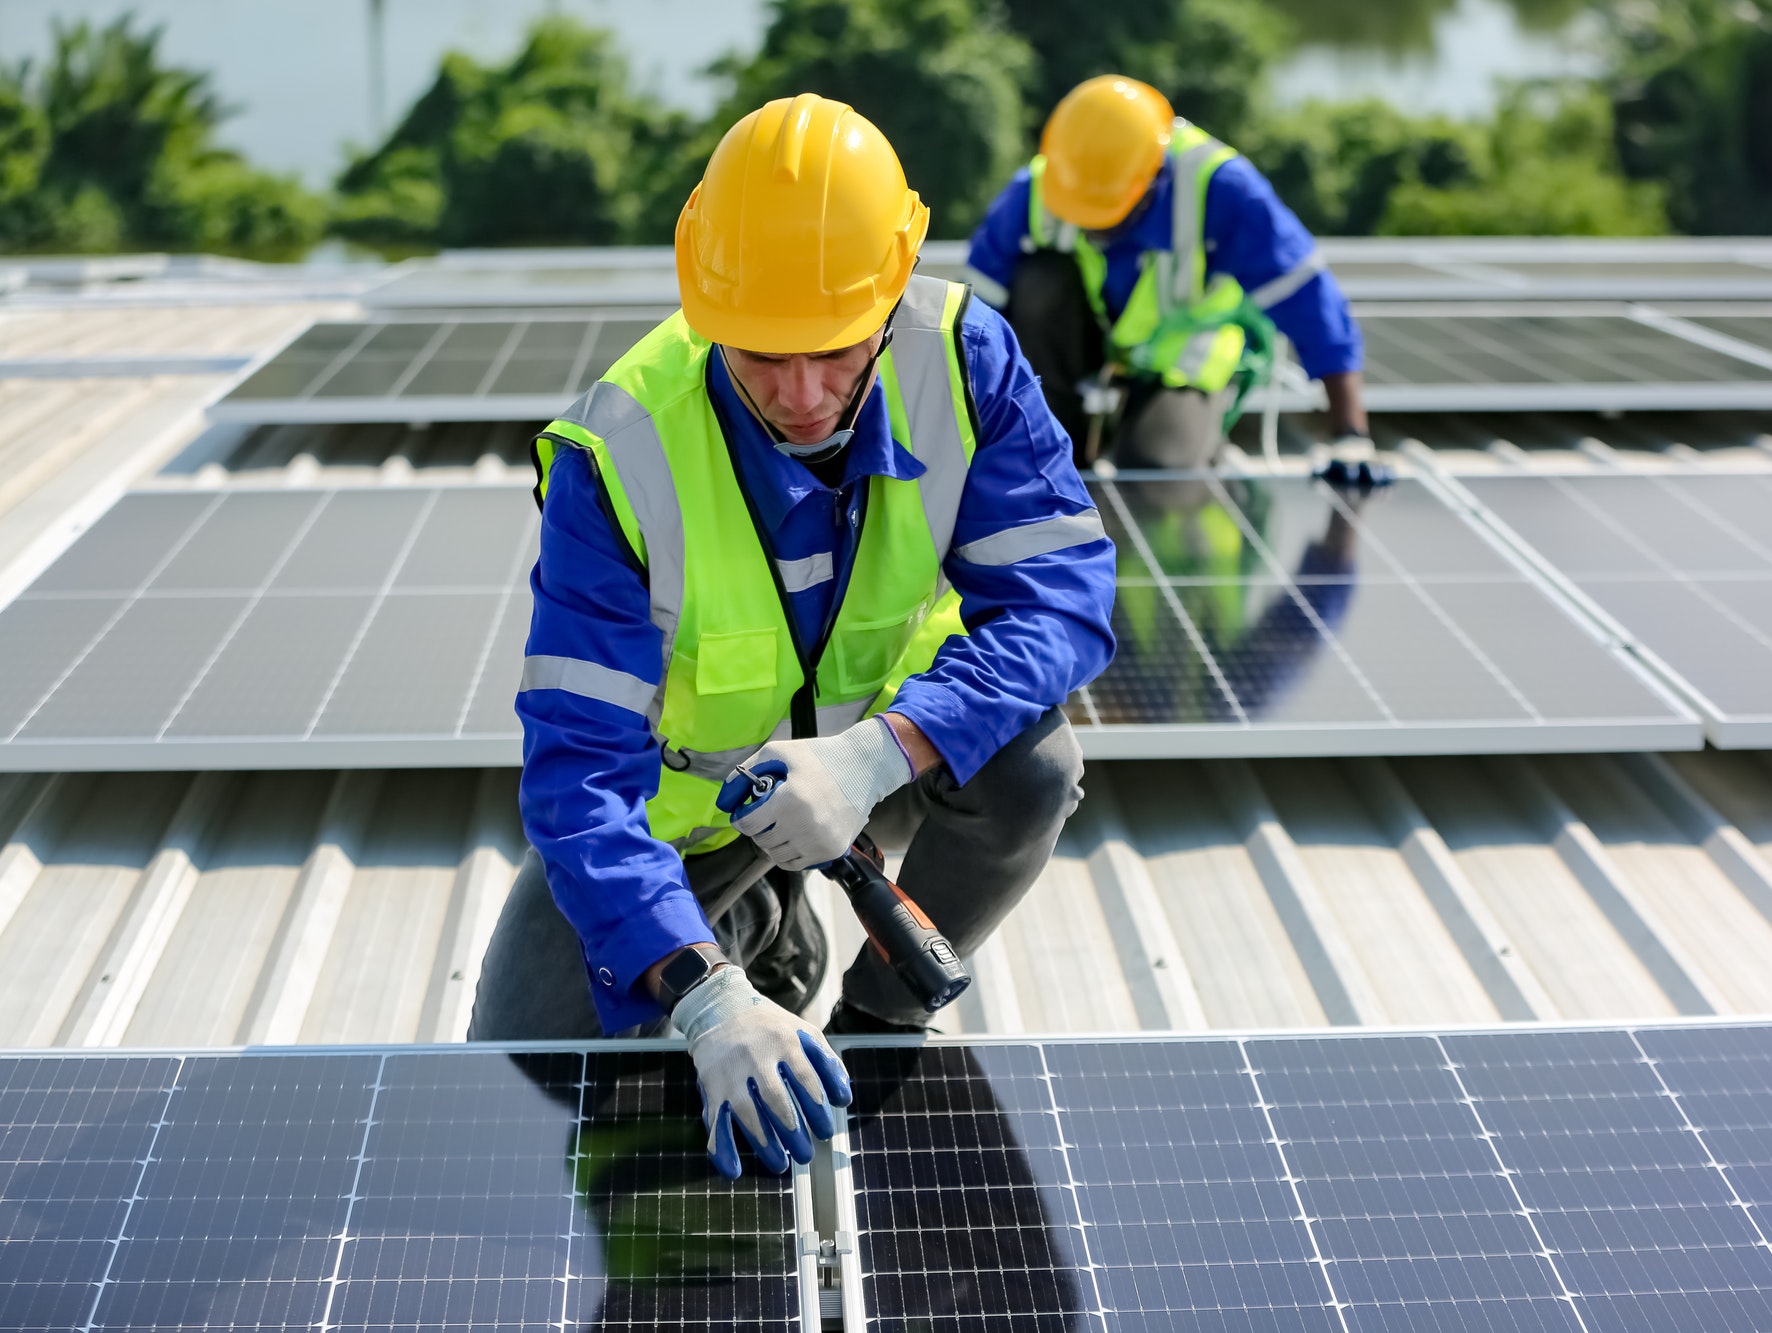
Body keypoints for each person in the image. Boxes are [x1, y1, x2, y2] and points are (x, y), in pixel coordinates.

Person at [468, 93, 1117, 1182]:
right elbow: (578, 774)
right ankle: (754, 926)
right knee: (522, 1061)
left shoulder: (963, 361)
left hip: (886, 750)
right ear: (704, 298)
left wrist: (877, 755)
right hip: (682, 812)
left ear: (893, 284)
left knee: (1034, 768)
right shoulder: (616, 452)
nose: (804, 395)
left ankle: (877, 1013)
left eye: (832, 350)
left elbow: (1061, 599)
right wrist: (703, 994)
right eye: (762, 357)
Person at [965, 74, 1369, 469]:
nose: (1092, 228)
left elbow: (1306, 295)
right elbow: (973, 314)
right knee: (1038, 282)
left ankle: (1190, 434)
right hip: (1087, 346)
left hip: (1185, 354)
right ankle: (1063, 444)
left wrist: (1349, 435)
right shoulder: (1045, 185)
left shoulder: (1221, 188)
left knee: (1154, 466)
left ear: (1152, 178)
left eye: (1106, 216)